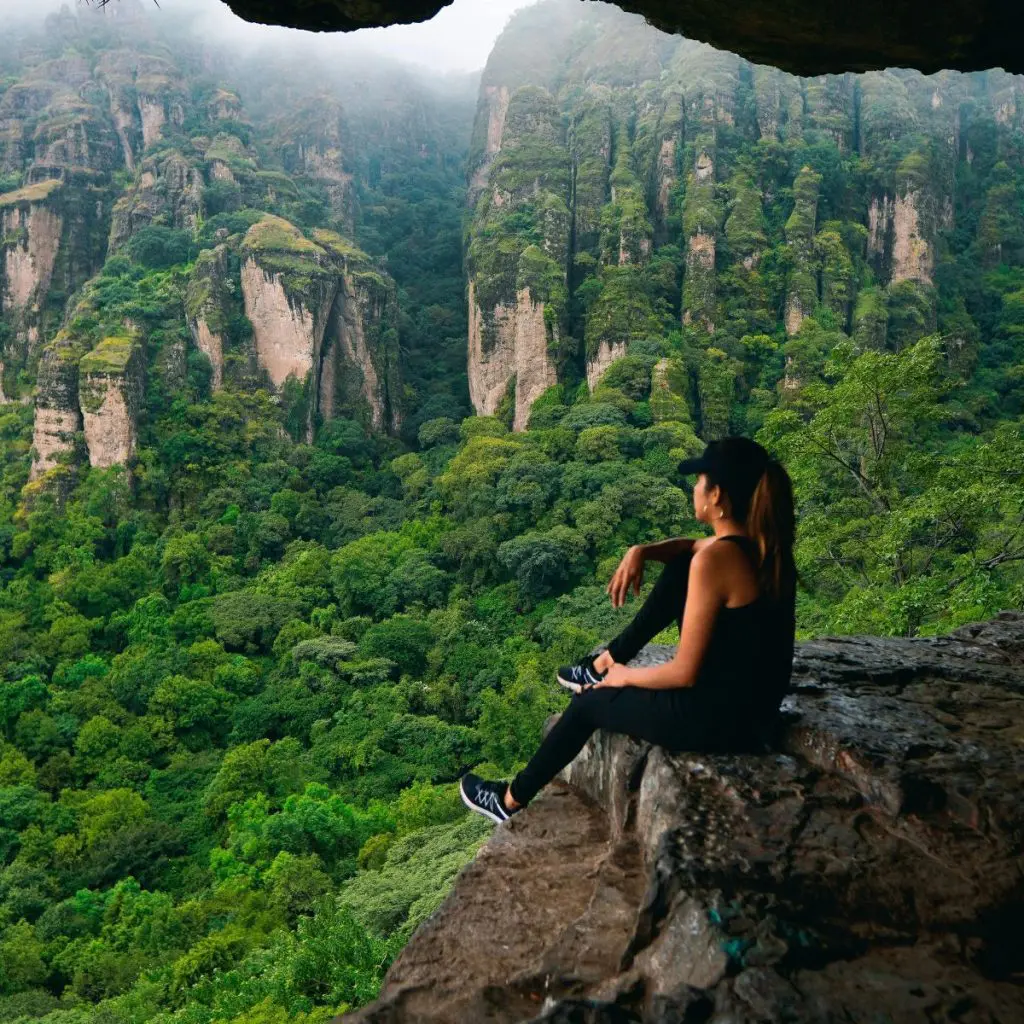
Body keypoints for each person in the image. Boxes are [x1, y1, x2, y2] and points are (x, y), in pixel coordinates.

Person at [460, 436, 798, 824]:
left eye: (699, 480)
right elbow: (691, 549)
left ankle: (508, 800)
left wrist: (624, 678)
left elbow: (683, 673)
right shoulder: (761, 545)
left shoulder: (717, 560)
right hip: (755, 710)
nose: (694, 488)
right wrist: (643, 550)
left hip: (719, 720)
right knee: (678, 566)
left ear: (717, 495)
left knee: (588, 704)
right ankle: (604, 661)